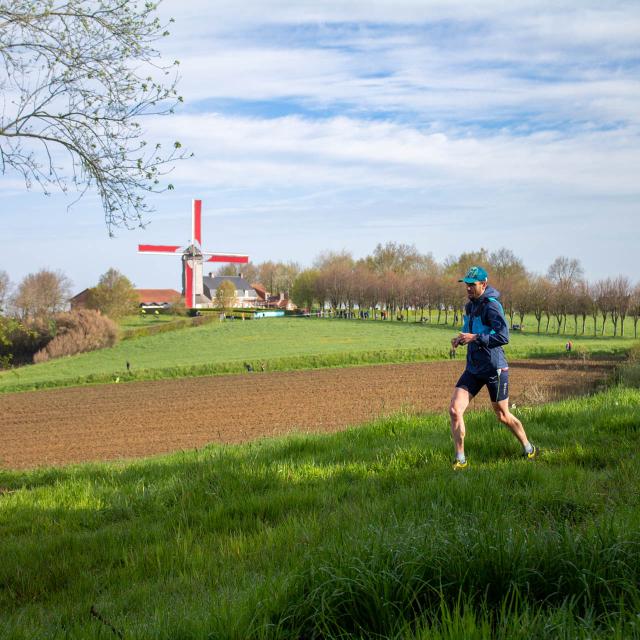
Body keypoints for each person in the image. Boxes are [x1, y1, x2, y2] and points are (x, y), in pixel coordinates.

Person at [449, 266, 539, 470]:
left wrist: (476, 338)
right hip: (473, 368)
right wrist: (461, 339)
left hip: (494, 369)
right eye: (466, 285)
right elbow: (471, 333)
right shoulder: (469, 307)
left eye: (472, 285)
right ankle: (460, 459)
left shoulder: (492, 306)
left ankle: (528, 447)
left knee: (502, 415)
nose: (468, 289)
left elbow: (503, 337)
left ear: (484, 284)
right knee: (455, 410)